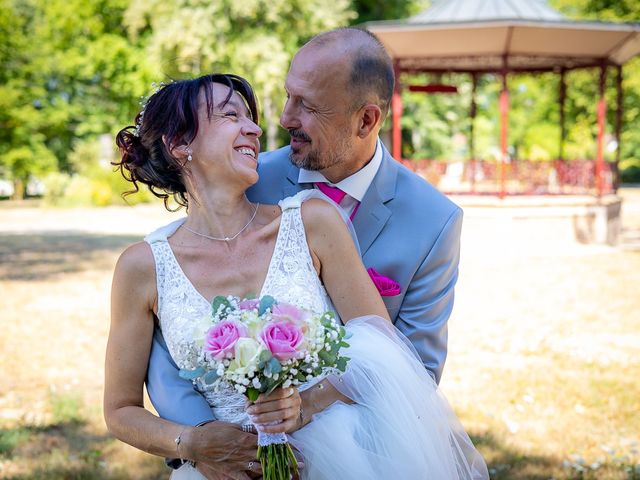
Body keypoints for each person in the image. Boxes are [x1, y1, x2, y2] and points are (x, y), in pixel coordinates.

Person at [105, 70, 487, 480]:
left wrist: (307, 402)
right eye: (232, 116)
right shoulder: (141, 266)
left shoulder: (313, 222)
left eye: (251, 118)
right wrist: (193, 444)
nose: (255, 129)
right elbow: (120, 410)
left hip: (339, 453)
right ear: (180, 143)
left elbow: (384, 349)